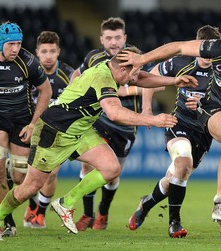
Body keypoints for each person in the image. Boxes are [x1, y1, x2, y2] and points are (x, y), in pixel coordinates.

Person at [0, 46, 198, 241]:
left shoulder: (114, 69)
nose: (137, 75)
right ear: (124, 69)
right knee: (31, 187)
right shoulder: (103, 78)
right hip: (54, 131)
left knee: (111, 167)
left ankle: (65, 203)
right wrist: (154, 119)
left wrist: (172, 81)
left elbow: (140, 77)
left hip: (80, 131)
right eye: (134, 71)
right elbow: (114, 113)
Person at [118, 27, 221, 237]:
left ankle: (150, 203)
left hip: (217, 127)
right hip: (190, 120)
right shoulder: (215, 51)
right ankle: (184, 218)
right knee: (188, 161)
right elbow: (170, 55)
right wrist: (142, 62)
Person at [127, 25, 221, 239]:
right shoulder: (181, 62)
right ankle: (174, 222)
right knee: (183, 162)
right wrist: (146, 110)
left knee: (174, 175)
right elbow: (148, 78)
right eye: (205, 51)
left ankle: (147, 203)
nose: (209, 56)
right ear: (197, 46)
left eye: (213, 51)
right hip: (179, 123)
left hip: (204, 131)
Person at [71, 17, 161, 231]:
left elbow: (151, 83)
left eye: (118, 38)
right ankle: (87, 214)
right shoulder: (94, 58)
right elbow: (78, 75)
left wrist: (146, 107)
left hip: (127, 124)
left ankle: (103, 211)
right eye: (109, 38)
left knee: (113, 174)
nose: (113, 42)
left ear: (125, 38)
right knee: (90, 164)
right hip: (99, 119)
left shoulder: (135, 58)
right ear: (102, 39)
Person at [0, 21, 52, 237]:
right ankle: (5, 222)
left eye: (18, 43)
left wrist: (33, 123)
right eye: (11, 45)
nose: (16, 49)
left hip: (21, 122)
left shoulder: (28, 61)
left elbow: (46, 90)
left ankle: (11, 175)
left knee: (20, 180)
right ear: (0, 44)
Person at [22, 31, 75, 229]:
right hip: (31, 131)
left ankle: (40, 214)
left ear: (58, 51)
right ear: (37, 53)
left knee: (51, 174)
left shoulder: (69, 75)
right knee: (27, 176)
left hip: (57, 134)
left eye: (52, 51)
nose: (48, 55)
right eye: (44, 51)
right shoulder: (28, 75)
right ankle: (32, 204)